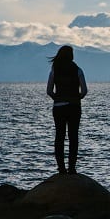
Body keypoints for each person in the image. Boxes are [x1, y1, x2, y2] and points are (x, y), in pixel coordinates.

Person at [47, 45, 88, 175]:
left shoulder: (55, 70)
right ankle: (72, 168)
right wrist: (76, 98)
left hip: (58, 107)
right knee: (73, 137)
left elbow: (49, 91)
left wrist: (57, 98)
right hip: (74, 107)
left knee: (59, 137)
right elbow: (84, 90)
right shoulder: (78, 69)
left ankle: (61, 168)